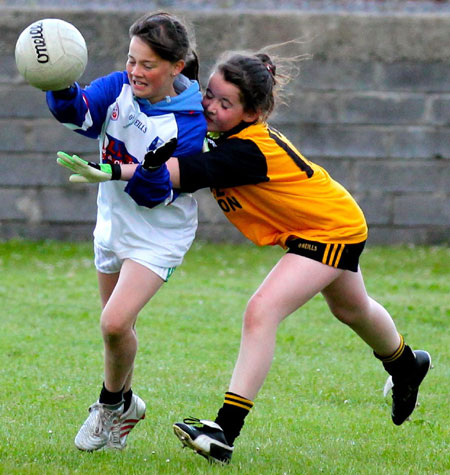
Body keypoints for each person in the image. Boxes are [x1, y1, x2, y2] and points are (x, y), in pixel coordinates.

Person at [57, 50, 431, 464]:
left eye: (225, 103)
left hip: (330, 229)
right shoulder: (222, 131)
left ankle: (223, 431)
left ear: (251, 112)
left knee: (261, 311)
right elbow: (184, 105)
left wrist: (111, 170)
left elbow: (179, 174)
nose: (212, 107)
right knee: (352, 309)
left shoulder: (244, 152)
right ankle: (406, 365)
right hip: (320, 222)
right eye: (210, 96)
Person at [46, 12, 207, 452]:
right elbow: (80, 117)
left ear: (176, 66)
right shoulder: (118, 84)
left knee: (114, 322)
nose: (135, 71)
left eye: (148, 64)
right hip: (112, 225)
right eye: (131, 60)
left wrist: (125, 170)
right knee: (117, 331)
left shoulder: (190, 122)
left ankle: (108, 404)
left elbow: (157, 194)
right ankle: (126, 409)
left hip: (158, 234)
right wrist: (58, 82)